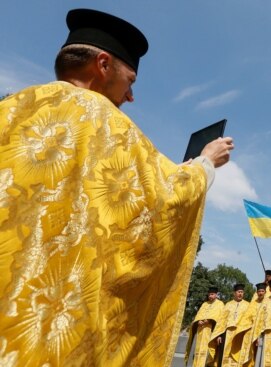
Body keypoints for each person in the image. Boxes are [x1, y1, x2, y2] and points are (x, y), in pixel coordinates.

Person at [0, 8, 234, 366]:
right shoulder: (106, 121)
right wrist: (205, 163)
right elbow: (166, 199)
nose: (131, 96)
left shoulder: (12, 109)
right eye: (131, 81)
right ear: (104, 64)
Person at [211, 284, 250, 367]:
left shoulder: (247, 305)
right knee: (223, 356)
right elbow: (222, 322)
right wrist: (219, 335)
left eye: (242, 292)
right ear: (234, 293)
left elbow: (249, 322)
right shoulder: (228, 305)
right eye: (239, 292)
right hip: (226, 334)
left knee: (238, 357)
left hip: (239, 335)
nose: (240, 294)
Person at [185, 287, 224, 367]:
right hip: (200, 332)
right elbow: (198, 316)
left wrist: (210, 320)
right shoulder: (204, 304)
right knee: (197, 352)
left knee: (207, 353)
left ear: (216, 295)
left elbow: (221, 320)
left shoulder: (220, 304)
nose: (210, 296)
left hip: (210, 332)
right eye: (209, 294)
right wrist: (198, 321)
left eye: (212, 294)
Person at [231, 283, 268, 367]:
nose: (261, 293)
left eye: (262, 291)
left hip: (262, 334)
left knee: (260, 356)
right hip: (251, 333)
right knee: (248, 355)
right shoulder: (253, 303)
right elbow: (247, 318)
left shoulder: (267, 303)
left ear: (265, 292)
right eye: (259, 291)